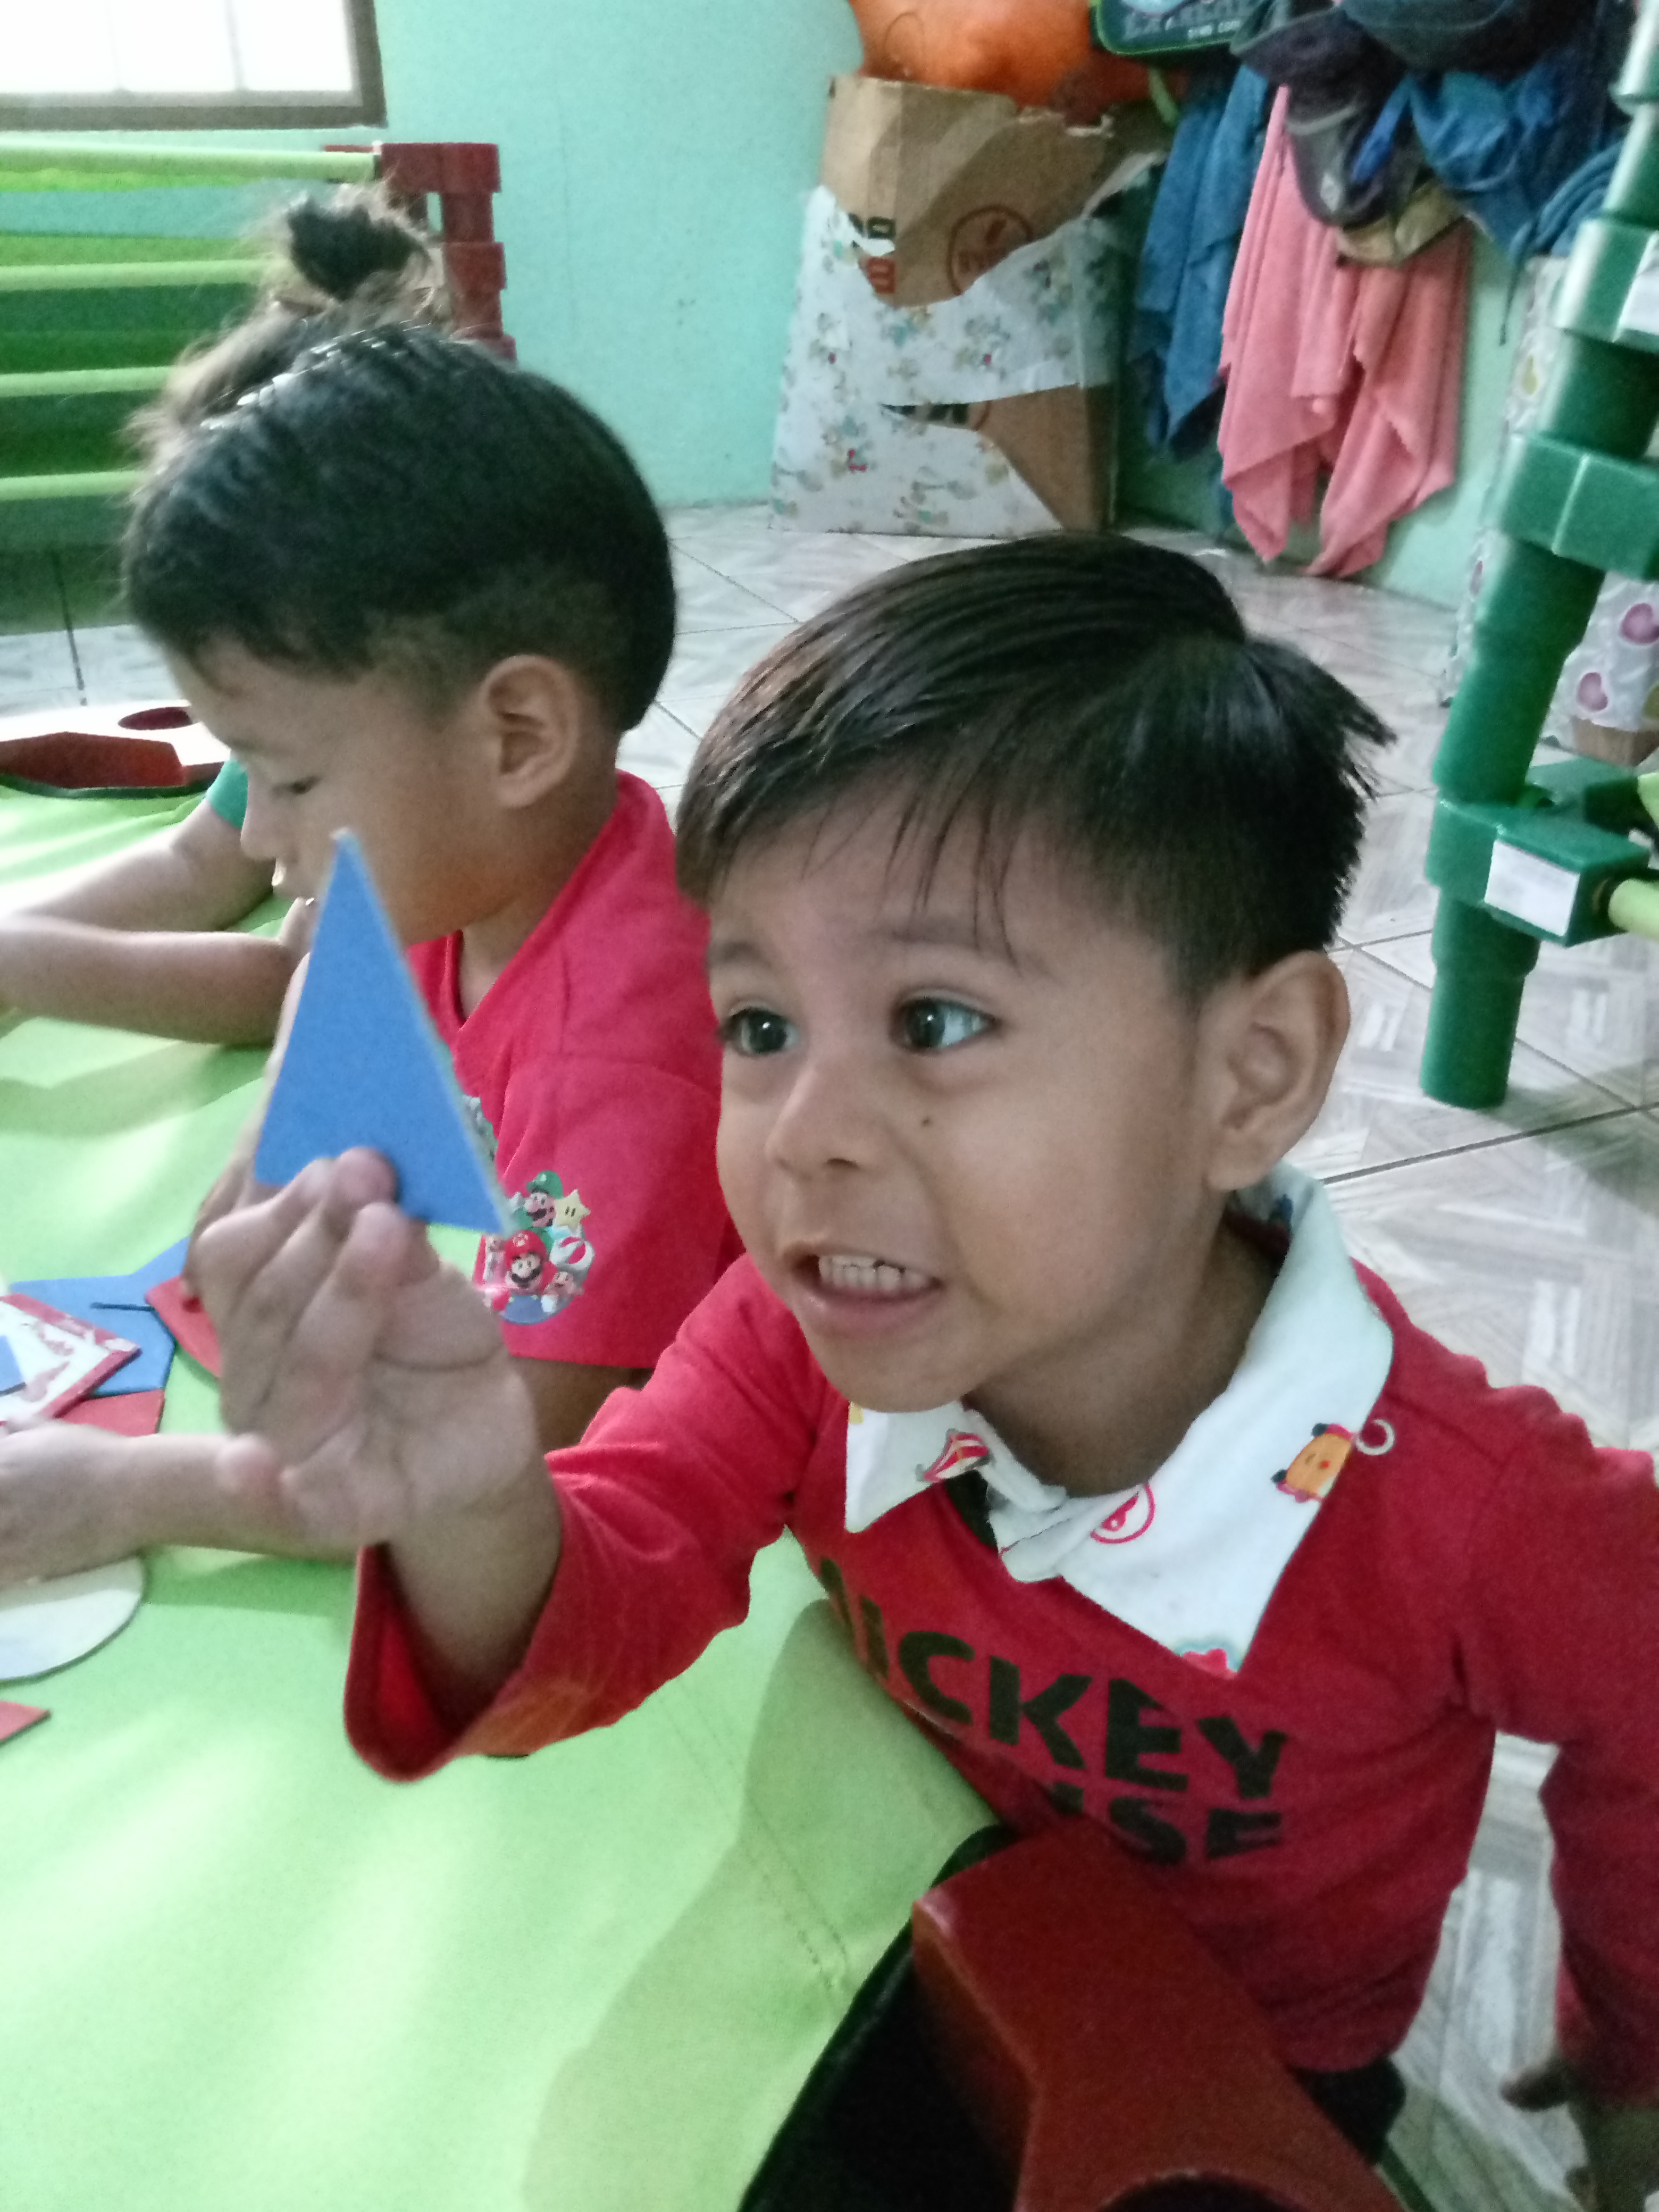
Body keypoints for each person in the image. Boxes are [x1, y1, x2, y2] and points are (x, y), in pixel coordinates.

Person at [190, 535, 1659, 2199]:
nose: (805, 1137)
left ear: (1250, 1077)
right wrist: (466, 1501)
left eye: (936, 1022)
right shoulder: (792, 1344)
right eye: (760, 1028)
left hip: (1242, 2065)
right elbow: (609, 1590)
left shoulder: (1468, 1508)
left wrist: (1635, 2043)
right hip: (900, 1929)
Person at [0, 312, 735, 1581]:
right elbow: (327, 979)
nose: (258, 836)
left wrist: (128, 1489)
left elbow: (499, 1465)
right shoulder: (470, 870)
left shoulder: (615, 1054)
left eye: (287, 779)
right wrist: (276, 1120)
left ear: (517, 736)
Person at [0, 188, 449, 1047]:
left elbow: (296, 987)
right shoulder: (312, 704)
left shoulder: (416, 762)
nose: (265, 849)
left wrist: (28, 965)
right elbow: (200, 862)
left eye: (290, 779)